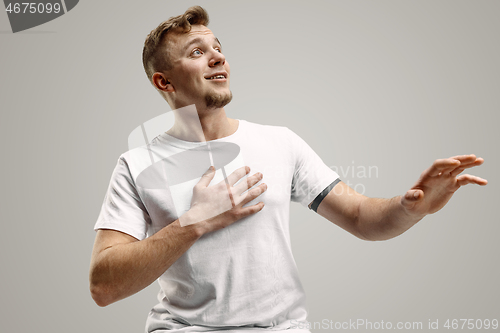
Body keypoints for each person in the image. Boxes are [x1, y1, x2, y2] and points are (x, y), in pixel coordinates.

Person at [89, 6, 487, 333]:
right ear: (164, 81)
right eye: (196, 52)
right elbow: (104, 285)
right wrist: (194, 222)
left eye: (218, 47)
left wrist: (410, 207)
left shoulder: (281, 143)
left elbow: (362, 218)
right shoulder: (136, 164)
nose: (217, 56)